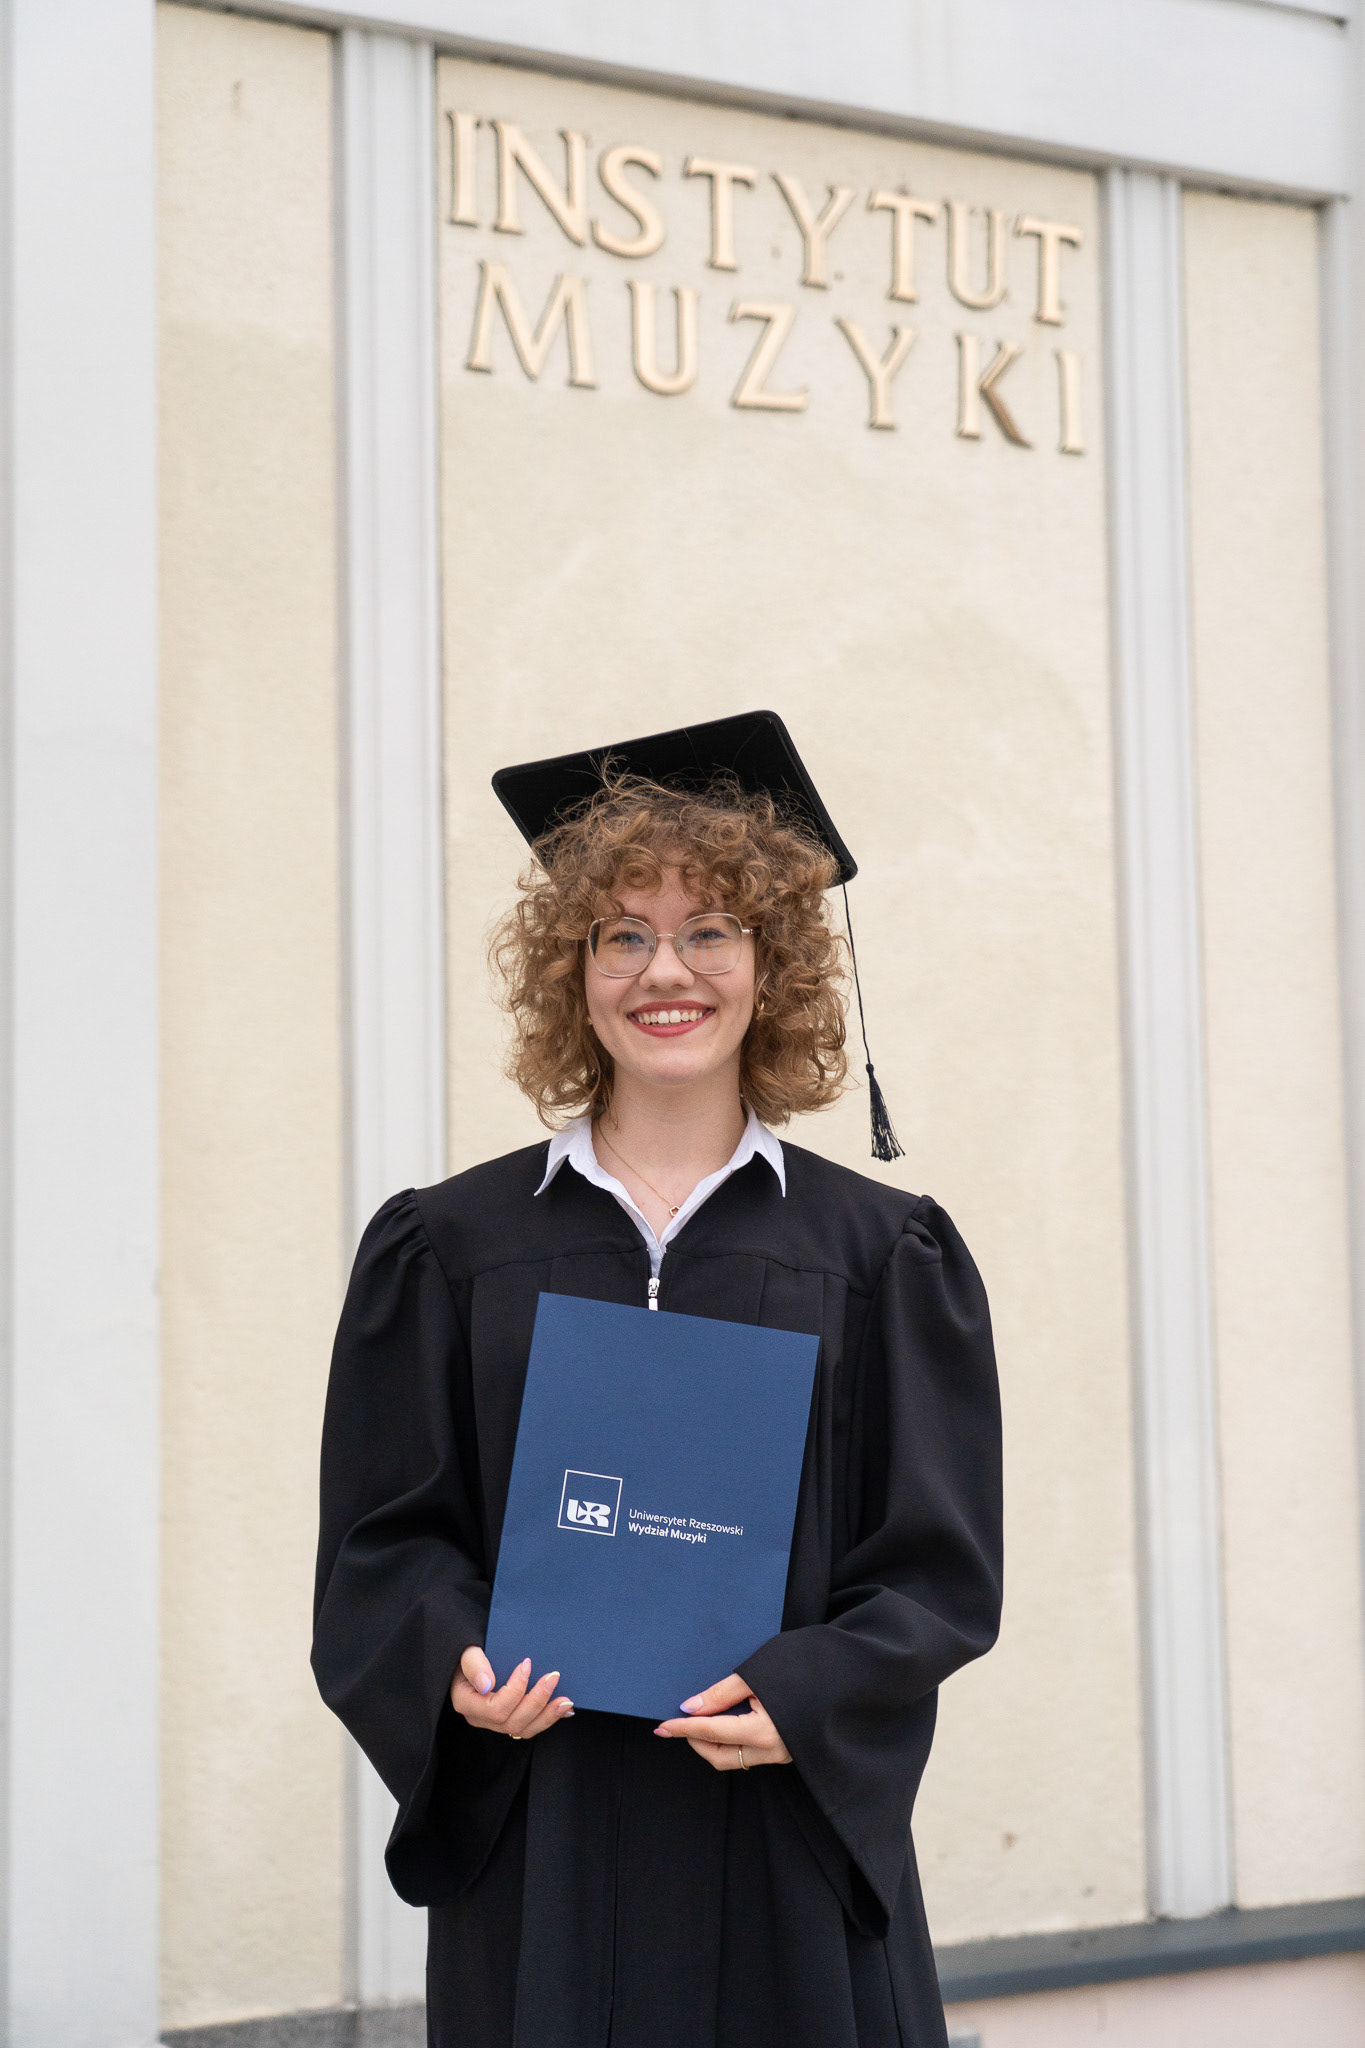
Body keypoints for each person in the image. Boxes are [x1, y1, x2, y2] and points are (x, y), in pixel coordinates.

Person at [312, 721, 1003, 2048]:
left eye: (710, 932)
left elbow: (937, 1567)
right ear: (570, 974)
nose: (664, 971)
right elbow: (381, 1541)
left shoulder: (879, 1254)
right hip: (547, 1828)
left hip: (782, 1838)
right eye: (621, 935)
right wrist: (450, 1661)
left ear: (772, 966)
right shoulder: (447, 1247)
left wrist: (813, 1694)